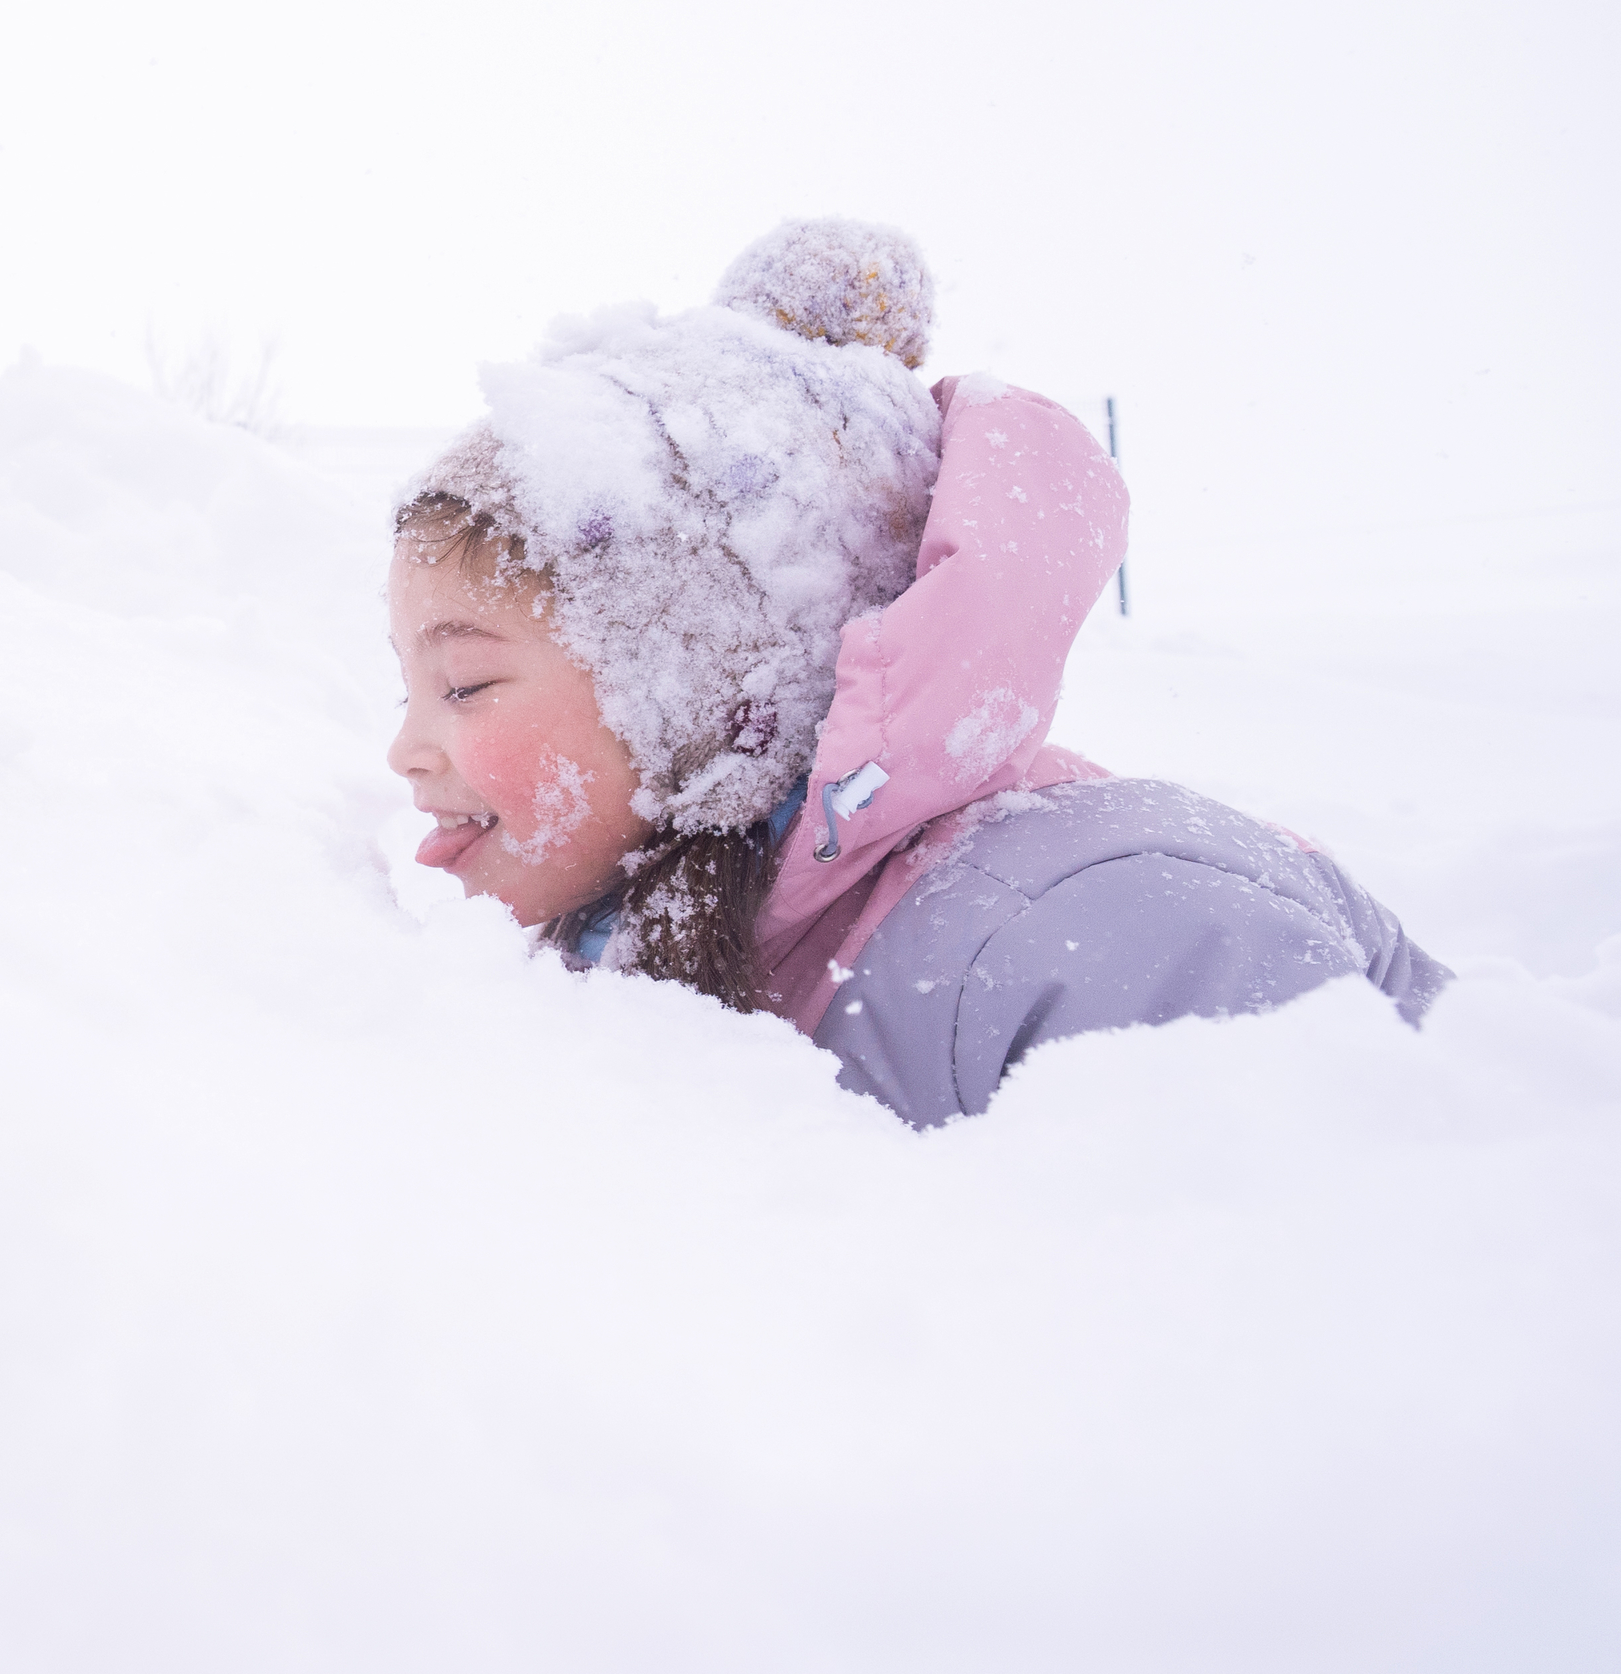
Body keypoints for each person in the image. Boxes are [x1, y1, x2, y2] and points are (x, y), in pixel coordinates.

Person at [387, 220, 1445, 1124]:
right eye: (406, 687)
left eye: (465, 685)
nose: (403, 750)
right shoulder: (633, 932)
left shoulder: (1094, 939)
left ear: (711, 701)